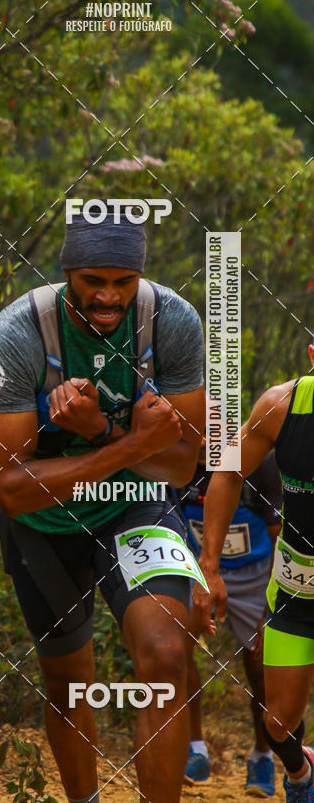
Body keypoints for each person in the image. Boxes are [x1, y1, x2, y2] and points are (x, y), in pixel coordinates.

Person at [0, 210, 205, 803]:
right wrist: (130, 441)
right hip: (43, 522)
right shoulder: (21, 331)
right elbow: (10, 486)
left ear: (140, 276)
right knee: (69, 679)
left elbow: (183, 465)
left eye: (122, 282)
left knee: (164, 655)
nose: (108, 296)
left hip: (136, 505)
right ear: (66, 273)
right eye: (92, 281)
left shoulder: (173, 321)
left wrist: (99, 431)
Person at [194, 339, 314, 803]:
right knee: (277, 720)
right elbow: (226, 474)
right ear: (310, 355)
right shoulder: (279, 405)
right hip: (295, 588)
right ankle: (301, 772)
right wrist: (210, 567)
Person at [173, 440, 281, 795]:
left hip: (254, 576)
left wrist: (273, 608)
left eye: (211, 430)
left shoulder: (261, 462)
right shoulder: (175, 460)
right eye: (195, 429)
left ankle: (262, 755)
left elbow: (278, 535)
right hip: (197, 567)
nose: (202, 440)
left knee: (261, 666)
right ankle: (195, 749)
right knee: (175, 649)